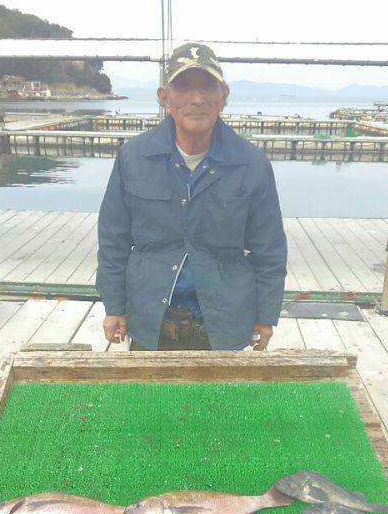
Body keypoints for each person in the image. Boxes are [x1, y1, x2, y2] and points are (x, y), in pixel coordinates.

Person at [96, 42, 287, 351]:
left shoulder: (253, 164)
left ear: (223, 96)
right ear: (165, 98)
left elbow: (270, 250)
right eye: (183, 87)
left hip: (225, 324)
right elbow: (113, 239)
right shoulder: (133, 157)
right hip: (150, 320)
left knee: (221, 401)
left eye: (208, 86)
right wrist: (114, 306)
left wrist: (265, 316)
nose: (197, 99)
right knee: (151, 400)